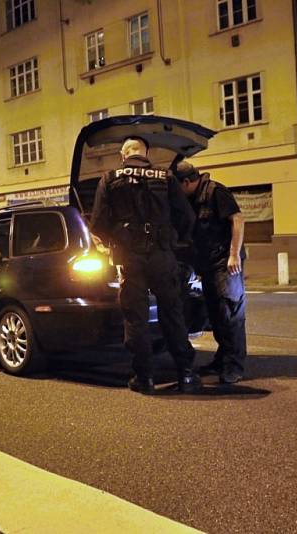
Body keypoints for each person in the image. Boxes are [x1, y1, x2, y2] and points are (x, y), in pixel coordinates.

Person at [90, 137, 198, 394]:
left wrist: (115, 243)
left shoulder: (110, 178)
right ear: (146, 152)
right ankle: (185, 375)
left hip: (129, 257)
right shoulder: (166, 176)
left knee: (135, 318)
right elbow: (187, 216)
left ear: (123, 154)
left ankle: (145, 378)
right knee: (172, 314)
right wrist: (176, 242)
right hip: (162, 255)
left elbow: (97, 224)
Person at [173, 161, 248, 384]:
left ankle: (234, 367)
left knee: (231, 313)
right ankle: (222, 359)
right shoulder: (191, 198)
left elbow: (238, 219)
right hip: (207, 263)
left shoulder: (215, 191)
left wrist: (234, 254)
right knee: (215, 314)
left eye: (177, 186)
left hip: (226, 262)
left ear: (186, 182)